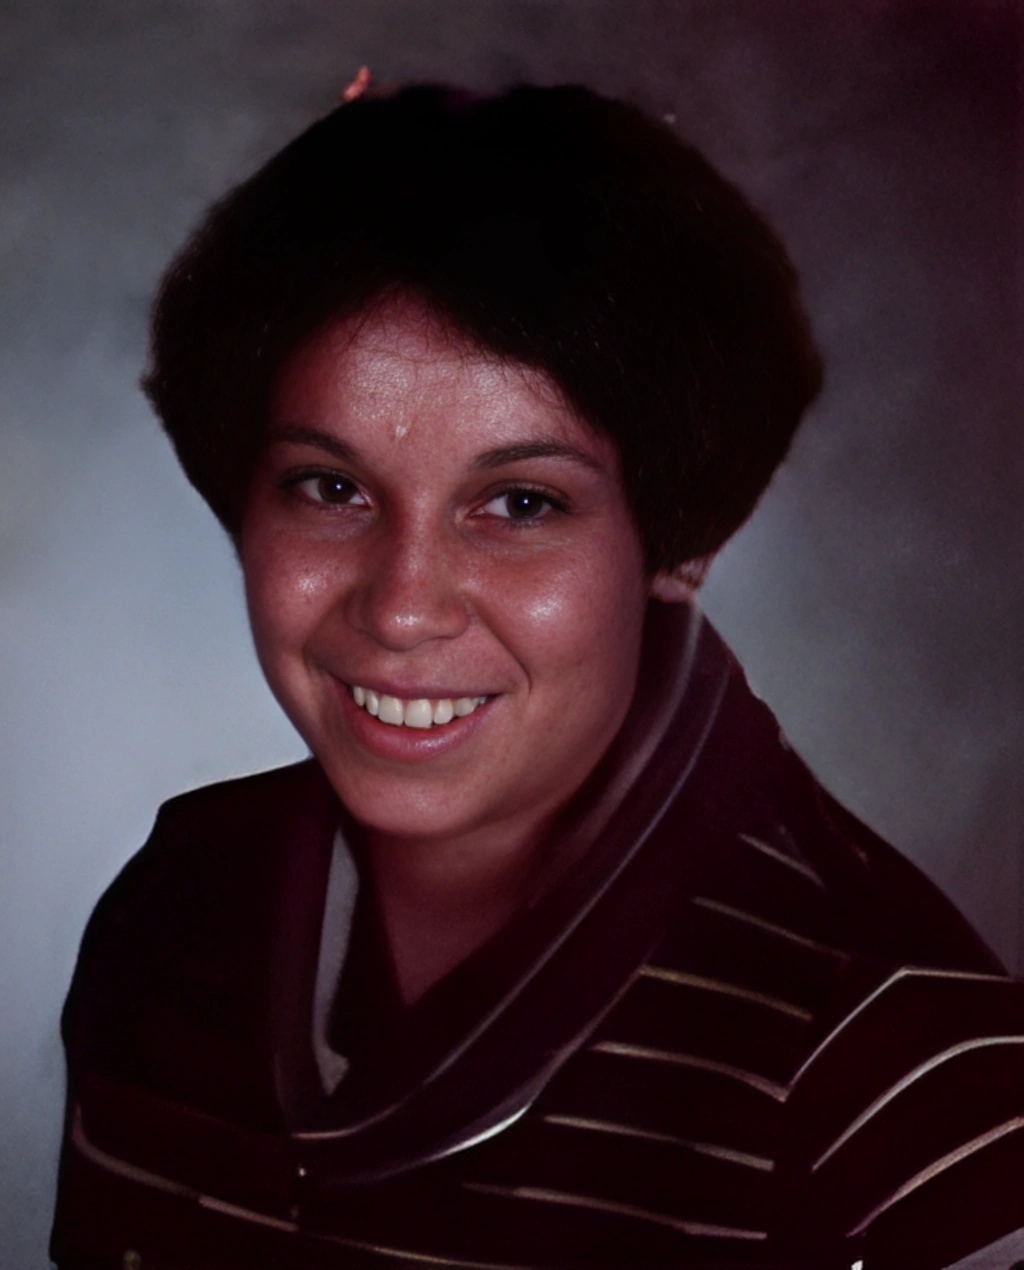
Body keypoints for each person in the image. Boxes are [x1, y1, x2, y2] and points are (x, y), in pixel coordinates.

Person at [51, 81, 1024, 1270]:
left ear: (679, 539)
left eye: (519, 503)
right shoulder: (175, 908)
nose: (403, 606)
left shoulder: (905, 1070)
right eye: (330, 487)